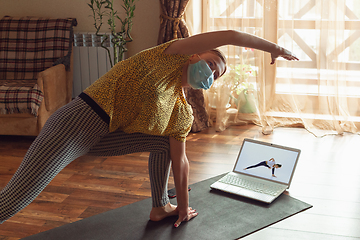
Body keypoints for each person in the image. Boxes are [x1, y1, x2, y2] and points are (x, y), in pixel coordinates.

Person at [0, 30, 298, 228]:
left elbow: (180, 160)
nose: (210, 74)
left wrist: (183, 207)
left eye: (216, 75)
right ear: (195, 54)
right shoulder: (167, 56)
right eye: (210, 64)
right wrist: (275, 48)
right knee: (15, 199)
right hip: (76, 123)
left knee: (163, 143)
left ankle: (160, 207)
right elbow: (231, 35)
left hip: (102, 136)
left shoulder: (181, 109)